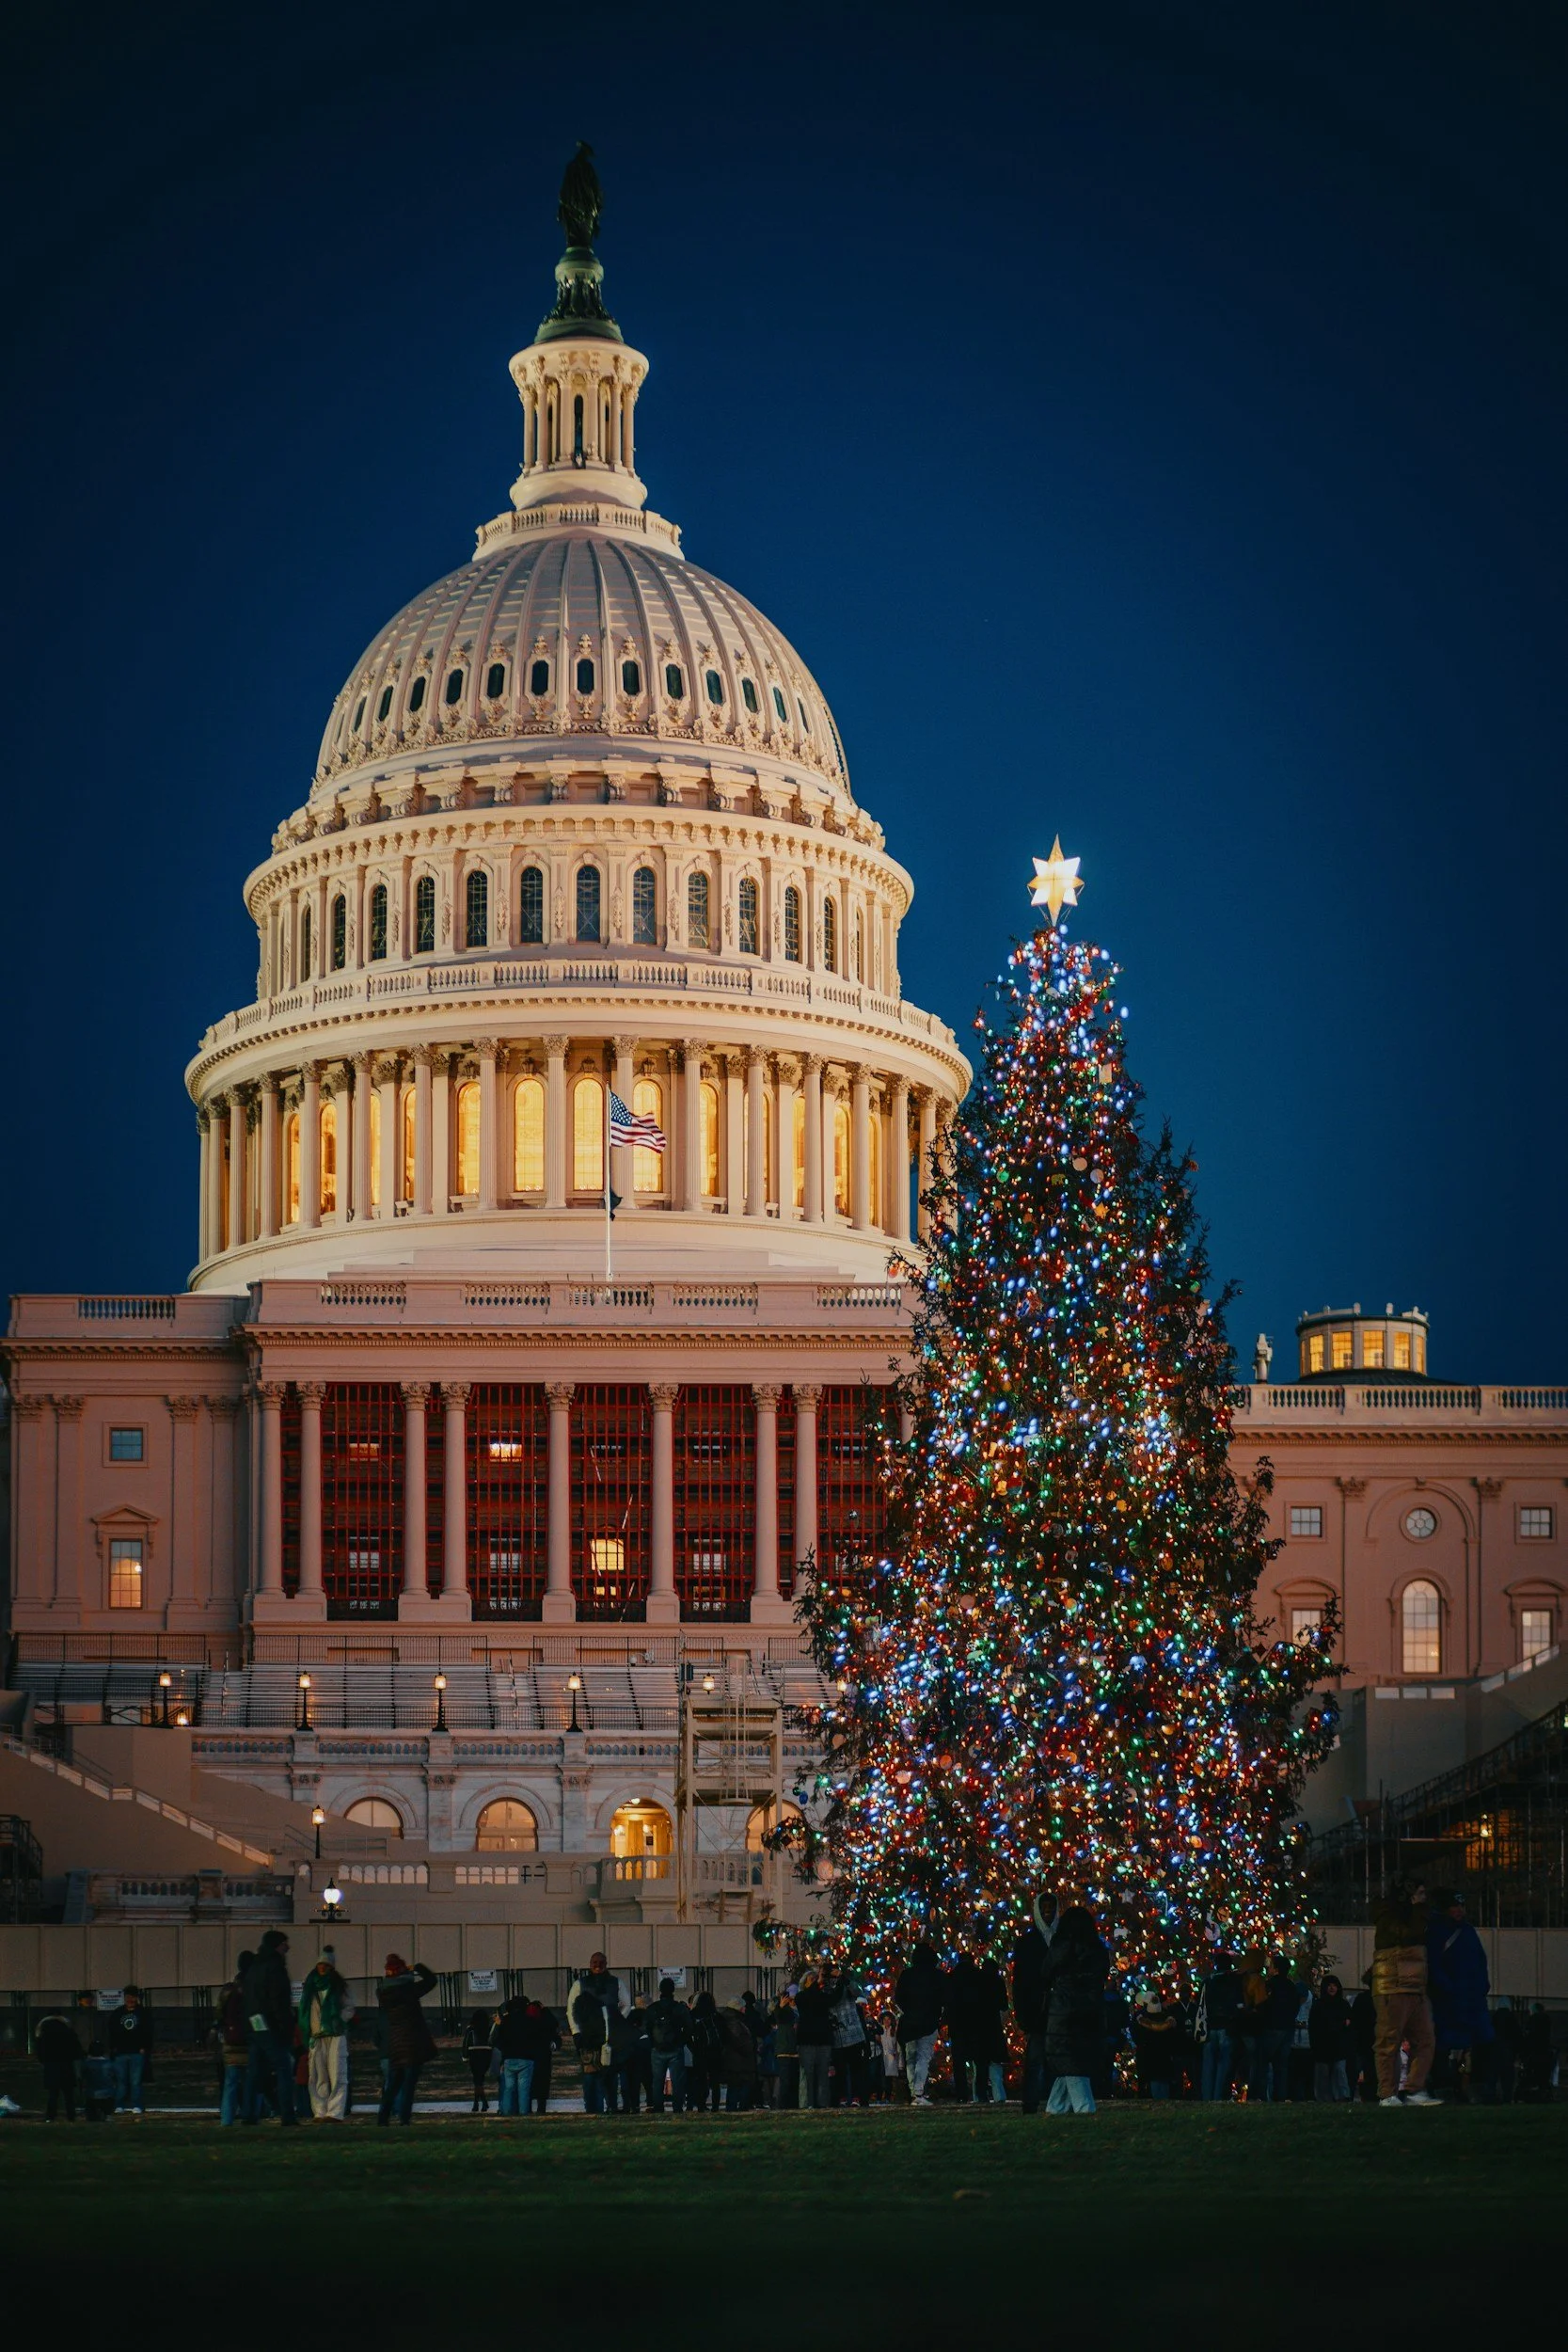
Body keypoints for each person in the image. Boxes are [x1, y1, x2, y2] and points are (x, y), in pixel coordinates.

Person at [1370, 1881, 1439, 2106]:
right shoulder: (1394, 1918)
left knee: (1425, 2038)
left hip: (1412, 1986)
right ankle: (1388, 2093)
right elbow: (1409, 1935)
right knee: (1389, 2041)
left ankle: (1413, 2089)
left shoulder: (1403, 1917)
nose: (1424, 1898)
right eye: (1420, 1893)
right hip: (1395, 1985)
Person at [1037, 1906, 1109, 2115]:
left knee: (1069, 2059)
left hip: (1064, 2008)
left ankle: (1082, 2106)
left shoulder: (1061, 1946)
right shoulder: (1097, 1948)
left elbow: (1046, 1971)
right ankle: (1060, 2106)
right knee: (1076, 2058)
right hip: (1090, 2007)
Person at [1426, 1890, 1492, 2099]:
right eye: (1455, 1906)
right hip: (1451, 2000)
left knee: (1476, 2044)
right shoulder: (1439, 1931)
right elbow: (1434, 1966)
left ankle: (1472, 2086)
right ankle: (1446, 2086)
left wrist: (1481, 1986)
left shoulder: (1467, 1931)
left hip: (1468, 1999)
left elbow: (1480, 1962)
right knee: (1445, 2045)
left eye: (1461, 1906)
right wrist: (1448, 1989)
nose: (1460, 1910)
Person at [243, 1930, 298, 2125]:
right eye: (284, 1944)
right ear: (277, 1945)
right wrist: (286, 2025)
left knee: (254, 2071)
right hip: (271, 2025)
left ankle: (249, 2114)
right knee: (283, 2069)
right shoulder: (275, 1968)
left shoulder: (255, 1967)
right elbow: (278, 2001)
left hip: (255, 2022)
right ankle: (287, 2115)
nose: (287, 1947)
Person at [375, 1953, 437, 2125]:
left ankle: (383, 2117)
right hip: (413, 2042)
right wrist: (417, 1967)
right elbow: (431, 1980)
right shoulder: (409, 1990)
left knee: (394, 2084)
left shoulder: (383, 1992)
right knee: (409, 2084)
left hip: (396, 2043)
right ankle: (404, 2118)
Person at [1011, 1892, 1059, 2113]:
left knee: (1055, 2060)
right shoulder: (1028, 1943)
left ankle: (1053, 2101)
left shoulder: (1062, 1939)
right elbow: (1020, 1982)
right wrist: (1024, 2015)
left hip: (1059, 2009)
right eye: (1044, 1908)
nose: (1048, 1912)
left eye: (1052, 1907)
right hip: (1037, 2011)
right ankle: (1031, 2102)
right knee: (1036, 2059)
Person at [947, 1947, 1009, 2104]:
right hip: (977, 2025)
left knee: (959, 2062)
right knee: (980, 2061)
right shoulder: (980, 1977)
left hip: (957, 2025)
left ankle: (962, 2095)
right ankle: (981, 2095)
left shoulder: (951, 1977)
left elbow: (947, 2001)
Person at [298, 1950, 353, 2122]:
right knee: (317, 2075)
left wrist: (339, 2021)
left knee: (337, 2074)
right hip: (317, 2035)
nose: (322, 1967)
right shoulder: (311, 1986)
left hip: (335, 2034)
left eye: (326, 1964)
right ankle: (320, 2111)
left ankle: (335, 2112)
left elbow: (349, 2007)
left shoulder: (338, 1986)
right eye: (321, 1964)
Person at [566, 1954, 621, 2116]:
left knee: (608, 2074)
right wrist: (576, 2032)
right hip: (591, 2037)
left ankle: (607, 2106)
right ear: (590, 1964)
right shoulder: (581, 1984)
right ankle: (594, 2108)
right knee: (592, 2074)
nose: (598, 1966)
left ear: (606, 1964)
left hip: (604, 2037)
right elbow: (570, 2010)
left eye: (601, 1963)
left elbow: (625, 2004)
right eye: (595, 1963)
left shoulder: (614, 1983)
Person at [894, 1942, 945, 2106]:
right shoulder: (937, 1976)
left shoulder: (907, 1975)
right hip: (929, 2022)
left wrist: (908, 2011)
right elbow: (945, 1998)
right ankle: (918, 2092)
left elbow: (899, 1998)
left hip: (909, 2022)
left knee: (911, 2058)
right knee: (923, 2057)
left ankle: (913, 2092)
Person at [1247, 1958, 1300, 2104]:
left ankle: (1260, 2096)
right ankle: (1280, 2097)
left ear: (1275, 1969)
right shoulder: (1291, 1986)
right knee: (1281, 2066)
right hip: (1288, 2028)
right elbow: (1296, 2007)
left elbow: (1263, 2005)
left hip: (1272, 2027)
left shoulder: (1270, 1985)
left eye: (1270, 1966)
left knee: (1262, 2062)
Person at [1196, 1950, 1243, 2103]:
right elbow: (1239, 2004)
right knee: (1224, 2064)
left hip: (1210, 2026)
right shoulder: (1234, 1980)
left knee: (1209, 2064)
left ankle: (1207, 2097)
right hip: (1227, 2025)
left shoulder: (1207, 1981)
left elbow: (1201, 2004)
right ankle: (1219, 2097)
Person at [645, 1979, 692, 2113]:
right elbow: (689, 2028)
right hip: (675, 2048)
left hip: (657, 2049)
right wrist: (681, 2042)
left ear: (660, 1989)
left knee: (657, 2081)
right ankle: (677, 2107)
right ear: (673, 1990)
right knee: (677, 2081)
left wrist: (653, 2043)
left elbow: (646, 2028)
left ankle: (658, 2106)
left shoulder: (653, 2009)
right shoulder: (679, 2008)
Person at [106, 1985, 153, 2119]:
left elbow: (149, 2031)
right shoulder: (117, 2013)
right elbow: (111, 2031)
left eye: (133, 1997)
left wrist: (145, 2047)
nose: (130, 1999)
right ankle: (119, 2105)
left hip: (136, 2052)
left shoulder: (143, 2014)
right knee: (121, 2081)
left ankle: (136, 2105)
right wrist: (113, 2047)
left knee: (135, 2081)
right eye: (128, 1997)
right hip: (120, 2052)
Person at [489, 1993, 539, 2116]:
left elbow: (496, 2040)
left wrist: (504, 2051)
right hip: (526, 2058)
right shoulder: (530, 2021)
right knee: (524, 2088)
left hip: (509, 2057)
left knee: (508, 2088)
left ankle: (506, 2112)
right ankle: (523, 2113)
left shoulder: (505, 2021)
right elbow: (536, 2038)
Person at [217, 1956, 254, 2125]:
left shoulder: (228, 1992)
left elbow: (219, 2015)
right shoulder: (253, 1991)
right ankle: (249, 2116)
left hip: (231, 2043)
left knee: (230, 2083)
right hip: (248, 2042)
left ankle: (226, 2119)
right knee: (250, 2084)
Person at [828, 1966, 869, 2106]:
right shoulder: (826, 1989)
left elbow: (857, 1992)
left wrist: (843, 1978)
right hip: (837, 2037)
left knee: (857, 2069)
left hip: (853, 2034)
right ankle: (842, 2098)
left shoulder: (847, 1985)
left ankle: (858, 2097)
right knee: (840, 2071)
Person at [1308, 1974, 1353, 2101]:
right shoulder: (1320, 2005)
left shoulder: (1342, 2004)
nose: (1332, 1988)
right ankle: (1327, 2098)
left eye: (1334, 1985)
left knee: (1338, 2073)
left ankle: (1341, 2097)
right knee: (1325, 2075)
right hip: (1323, 2046)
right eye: (1329, 1985)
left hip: (1338, 2046)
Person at [795, 1969, 834, 2109]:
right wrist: (816, 1984)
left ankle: (822, 2103)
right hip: (807, 2040)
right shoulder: (801, 1997)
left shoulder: (823, 1996)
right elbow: (809, 1997)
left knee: (823, 2074)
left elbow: (833, 1999)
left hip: (823, 2040)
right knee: (807, 2074)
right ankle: (807, 2103)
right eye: (811, 1980)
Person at [1132, 1988, 1181, 2099]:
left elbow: (1136, 2035)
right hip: (1164, 2056)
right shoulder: (1168, 2019)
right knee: (1163, 2082)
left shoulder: (1140, 2019)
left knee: (1152, 2081)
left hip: (1148, 2054)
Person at [34, 2006, 82, 2121]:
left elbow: (39, 2047)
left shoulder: (43, 2026)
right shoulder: (67, 2025)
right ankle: (71, 2116)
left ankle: (51, 2116)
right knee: (68, 2093)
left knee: (53, 2093)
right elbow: (75, 2046)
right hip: (66, 2063)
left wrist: (43, 2060)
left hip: (51, 2064)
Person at [686, 1989, 726, 2113]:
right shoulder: (716, 2016)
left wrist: (693, 2047)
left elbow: (688, 2034)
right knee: (715, 2082)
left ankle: (701, 2105)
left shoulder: (693, 2015)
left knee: (700, 2080)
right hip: (715, 2052)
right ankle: (715, 2106)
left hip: (699, 2051)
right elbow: (723, 2035)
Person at [717, 1997, 758, 2111]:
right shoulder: (734, 2021)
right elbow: (739, 2041)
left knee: (734, 2087)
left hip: (735, 2060)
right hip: (739, 2061)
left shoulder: (730, 2019)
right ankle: (738, 2108)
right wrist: (750, 2047)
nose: (745, 2009)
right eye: (743, 2007)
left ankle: (734, 2108)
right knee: (741, 2086)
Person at [770, 1987, 800, 2112]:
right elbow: (777, 2017)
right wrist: (780, 2007)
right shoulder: (784, 2011)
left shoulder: (796, 2011)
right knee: (786, 2080)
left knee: (793, 2080)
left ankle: (791, 2104)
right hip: (785, 2050)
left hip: (794, 2050)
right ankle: (783, 2104)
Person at [461, 2010, 494, 2115]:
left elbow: (466, 2042)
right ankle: (481, 2102)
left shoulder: (470, 2029)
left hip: (474, 2053)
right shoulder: (488, 2028)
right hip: (486, 2053)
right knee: (479, 2080)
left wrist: (465, 2057)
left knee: (477, 2080)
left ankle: (479, 2102)